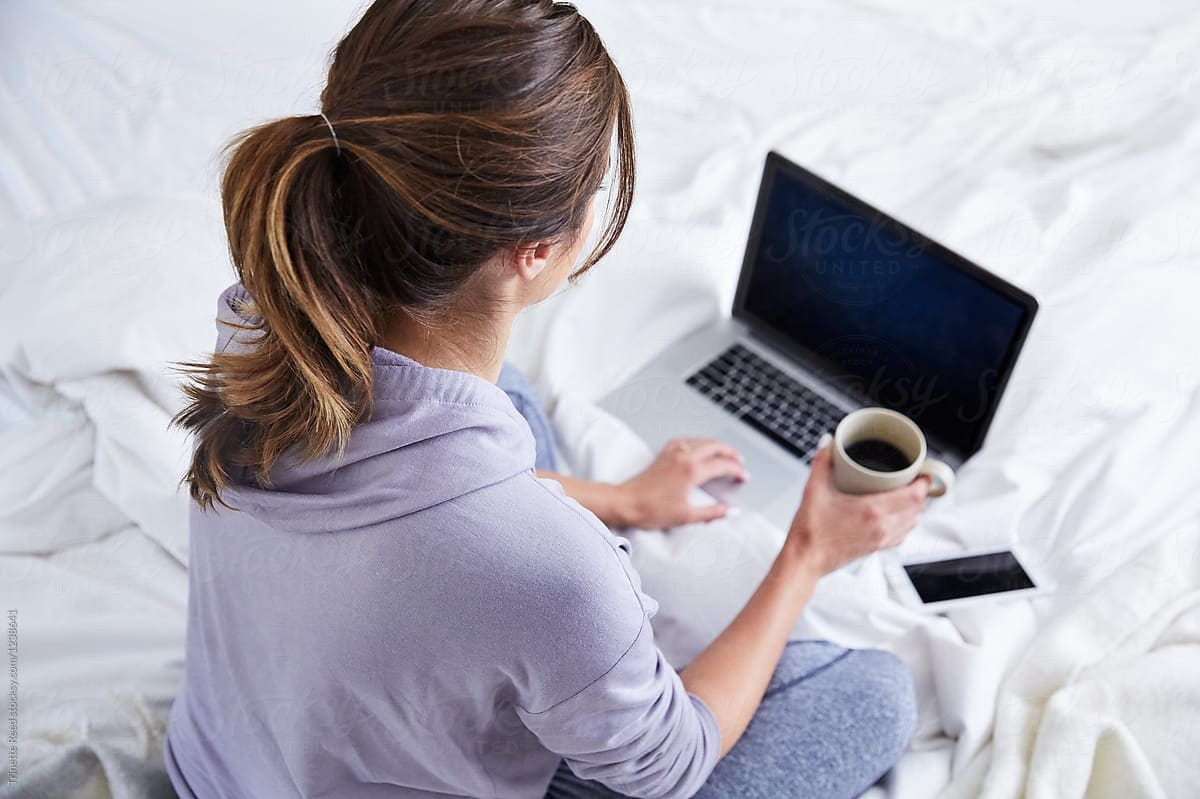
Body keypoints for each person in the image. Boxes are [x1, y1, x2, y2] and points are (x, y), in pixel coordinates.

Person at [164, 1, 930, 797]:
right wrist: (808, 549)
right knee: (874, 695)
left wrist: (622, 500)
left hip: (225, 763)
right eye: (596, 185)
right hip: (434, 688)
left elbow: (418, 500)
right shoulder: (559, 570)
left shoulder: (261, 324)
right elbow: (671, 764)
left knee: (515, 397)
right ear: (532, 251)